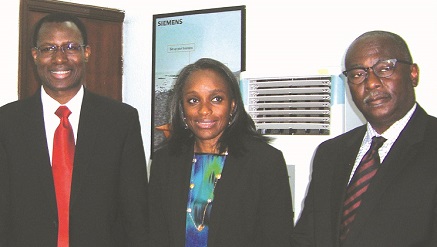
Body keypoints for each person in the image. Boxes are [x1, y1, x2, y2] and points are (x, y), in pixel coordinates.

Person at [0, 13, 149, 246]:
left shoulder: (121, 121)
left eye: (70, 47)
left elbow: (136, 214)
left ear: (86, 52)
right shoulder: (7, 123)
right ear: (35, 55)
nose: (60, 59)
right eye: (49, 48)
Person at [291, 30, 437, 247]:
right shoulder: (330, 153)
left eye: (384, 68)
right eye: (358, 74)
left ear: (413, 74)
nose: (371, 83)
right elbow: (307, 237)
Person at [148, 58, 294, 247]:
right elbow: (155, 235)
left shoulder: (265, 162)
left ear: (232, 105)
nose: (204, 110)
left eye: (216, 99)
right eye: (193, 100)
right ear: (182, 109)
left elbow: (278, 239)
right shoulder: (165, 161)